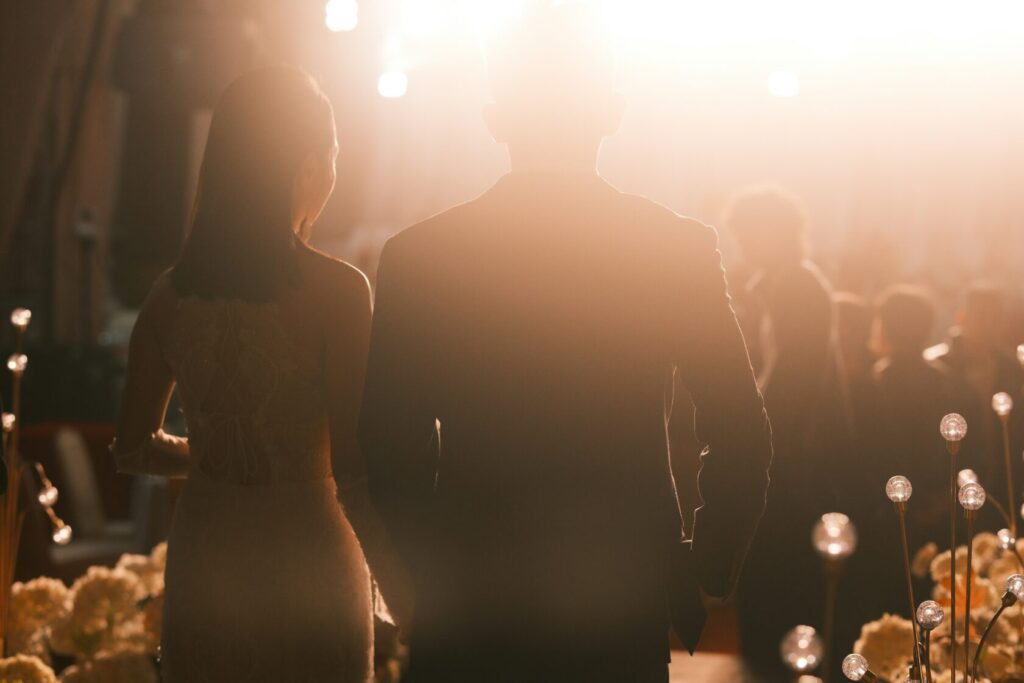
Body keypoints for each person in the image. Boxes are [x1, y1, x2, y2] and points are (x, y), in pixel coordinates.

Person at [357, 7, 772, 683]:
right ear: (612, 113)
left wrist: (430, 566)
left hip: (474, 594)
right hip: (619, 593)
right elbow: (741, 430)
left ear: (494, 119)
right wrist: (703, 564)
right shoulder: (673, 249)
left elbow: (385, 440)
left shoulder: (420, 256)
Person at [112, 66, 410, 683]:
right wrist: (405, 592)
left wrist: (212, 454)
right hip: (309, 557)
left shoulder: (168, 298)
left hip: (208, 558)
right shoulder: (339, 293)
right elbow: (353, 466)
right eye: (331, 156)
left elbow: (133, 448)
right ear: (306, 165)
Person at [725, 186, 851, 680]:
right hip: (798, 459)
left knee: (776, 583)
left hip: (793, 464)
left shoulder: (795, 285)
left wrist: (740, 427)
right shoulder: (791, 282)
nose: (742, 245)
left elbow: (792, 381)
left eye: (747, 234)